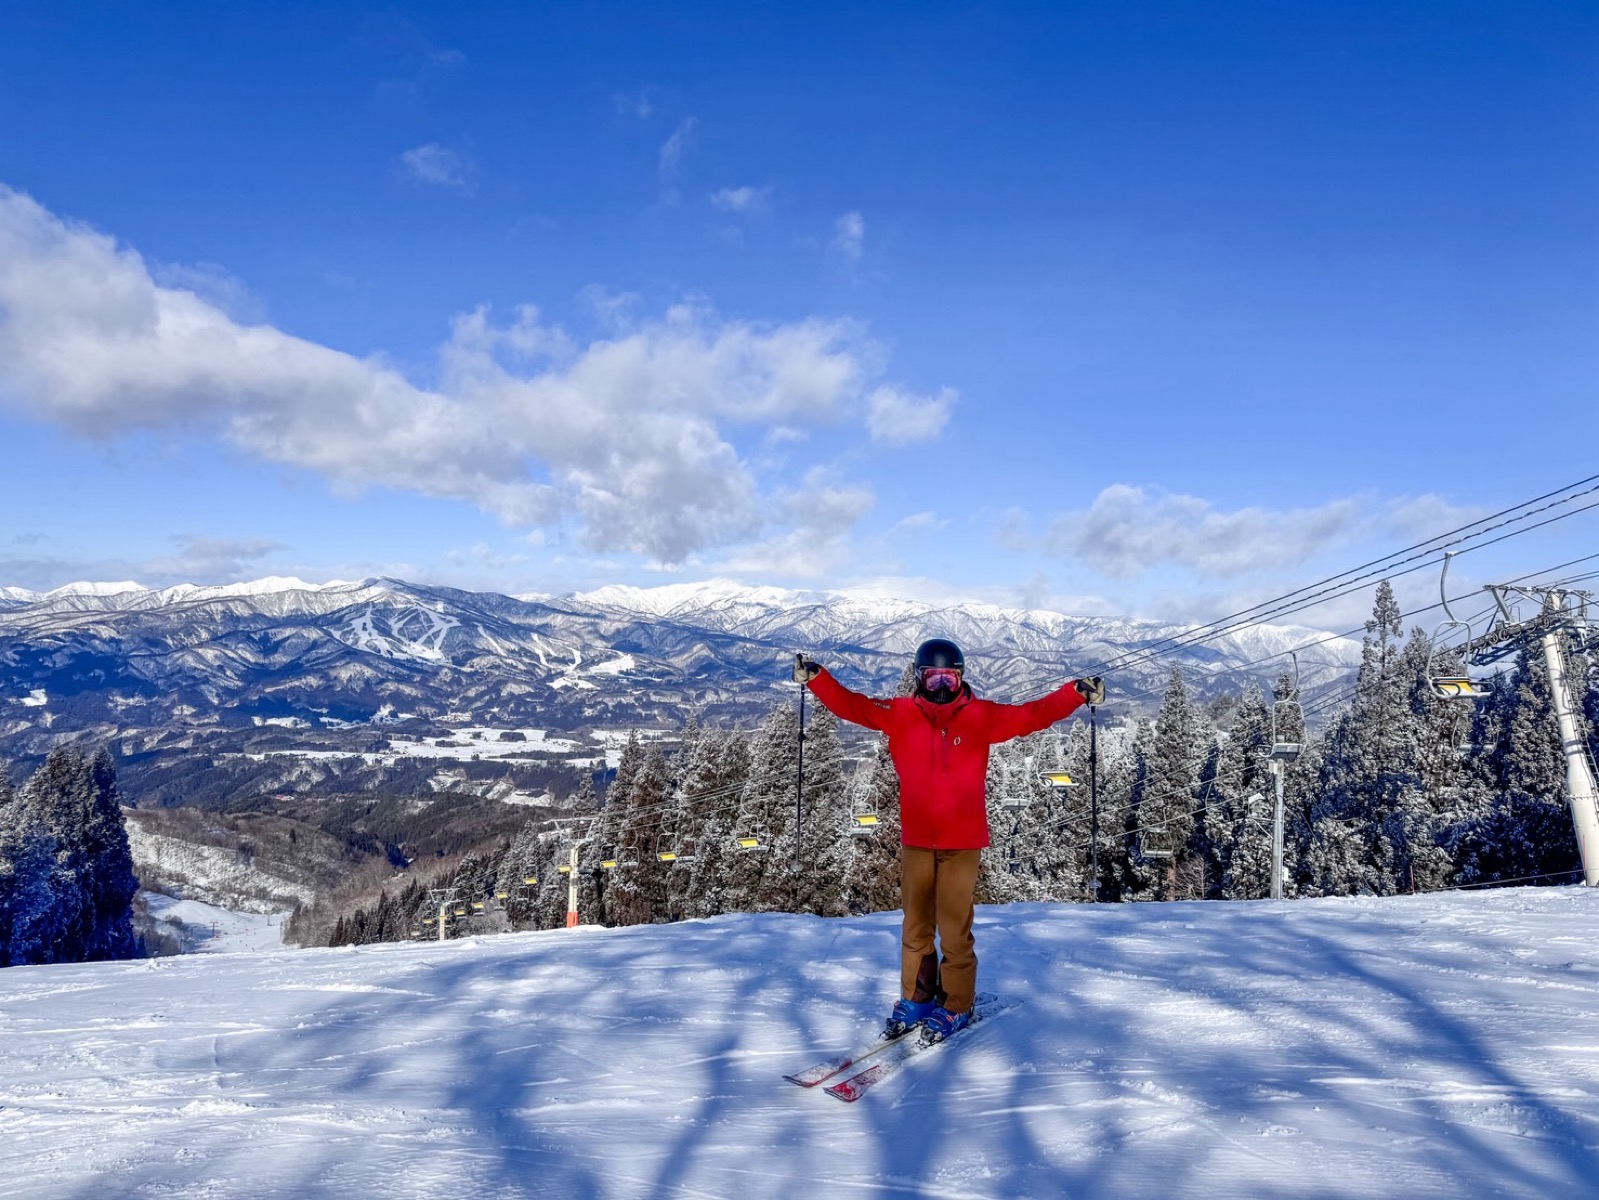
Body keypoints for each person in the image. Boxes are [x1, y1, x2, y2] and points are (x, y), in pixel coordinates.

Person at [793, 639, 1104, 1043]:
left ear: (961, 678)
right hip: (917, 839)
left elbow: (1032, 715)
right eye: (933, 678)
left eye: (950, 678)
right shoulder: (900, 714)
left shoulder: (981, 716)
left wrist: (1075, 693)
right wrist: (817, 678)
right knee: (916, 927)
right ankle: (918, 998)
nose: (941, 686)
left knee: (954, 929)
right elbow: (853, 706)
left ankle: (957, 1003)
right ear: (919, 678)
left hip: (963, 841)